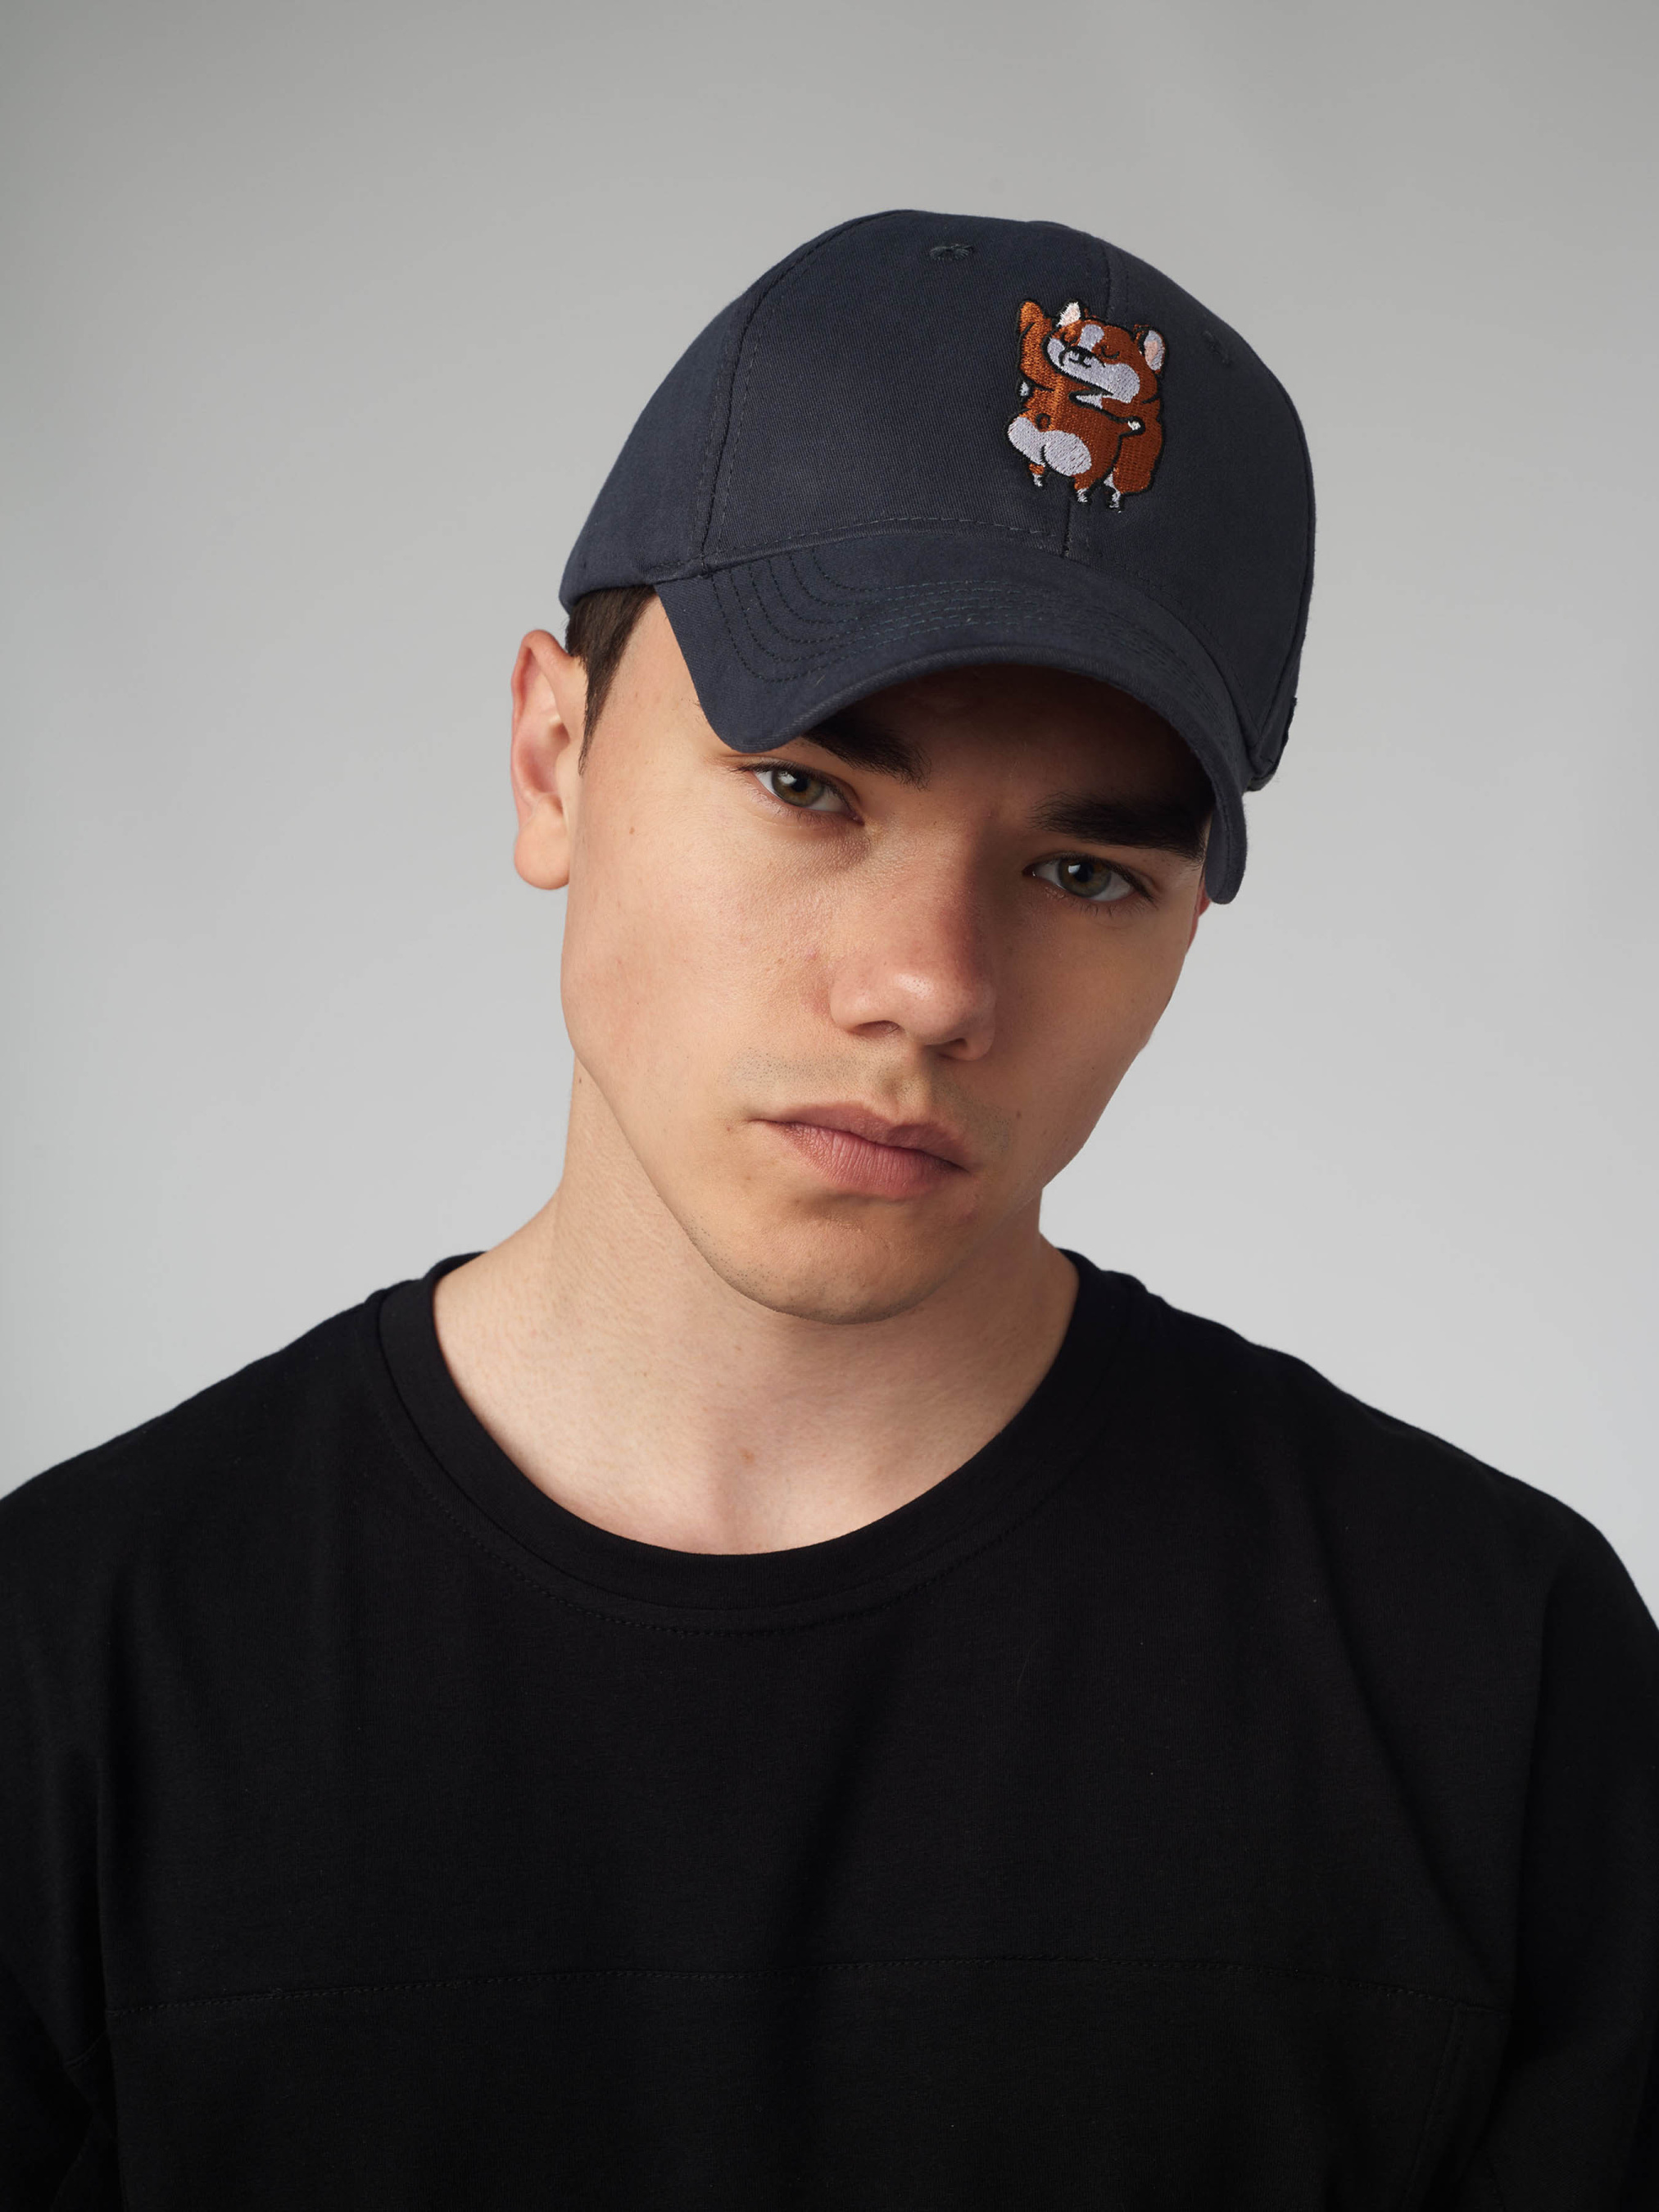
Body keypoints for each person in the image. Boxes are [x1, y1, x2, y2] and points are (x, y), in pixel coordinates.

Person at [2, 210, 1654, 2208]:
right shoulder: (73, 1675)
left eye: (1083, 874)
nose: (930, 986)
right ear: (550, 755)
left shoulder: (1493, 1683)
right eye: (805, 788)